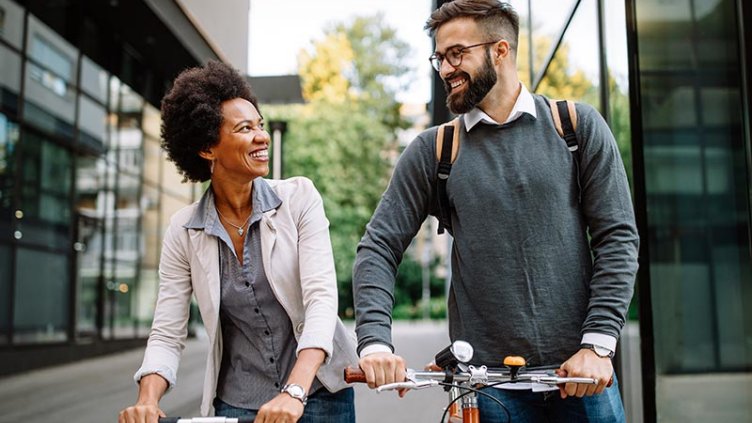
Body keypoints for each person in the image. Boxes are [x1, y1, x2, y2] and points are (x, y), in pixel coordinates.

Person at [352, 1, 638, 421]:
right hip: (486, 391)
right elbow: (378, 247)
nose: (446, 68)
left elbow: (618, 238)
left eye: (457, 54)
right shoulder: (433, 151)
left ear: (500, 51)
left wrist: (597, 345)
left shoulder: (576, 126)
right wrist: (375, 343)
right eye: (439, 58)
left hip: (581, 381)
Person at [118, 61, 357, 423]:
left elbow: (321, 301)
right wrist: (147, 400)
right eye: (245, 129)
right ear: (207, 148)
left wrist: (294, 391)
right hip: (239, 403)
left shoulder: (298, 198)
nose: (261, 137)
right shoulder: (184, 230)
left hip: (319, 392)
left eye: (260, 125)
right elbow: (167, 332)